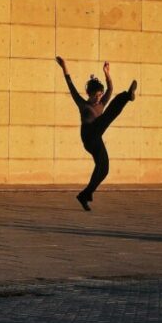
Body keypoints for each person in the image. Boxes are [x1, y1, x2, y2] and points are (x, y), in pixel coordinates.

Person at [55, 56, 137, 211]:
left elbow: (110, 89)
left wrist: (107, 73)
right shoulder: (83, 104)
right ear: (89, 93)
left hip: (97, 136)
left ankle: (85, 195)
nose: (98, 98)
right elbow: (70, 85)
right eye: (95, 95)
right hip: (88, 135)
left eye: (100, 95)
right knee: (107, 117)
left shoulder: (101, 103)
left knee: (104, 168)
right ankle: (127, 96)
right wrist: (64, 66)